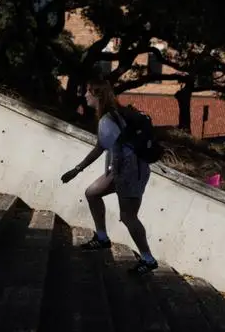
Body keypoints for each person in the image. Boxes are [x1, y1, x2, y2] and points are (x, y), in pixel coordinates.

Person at [60, 75, 158, 275]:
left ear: (97, 94)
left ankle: (148, 259)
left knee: (128, 216)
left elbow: (118, 150)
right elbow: (101, 146)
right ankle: (102, 238)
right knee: (92, 193)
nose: (85, 95)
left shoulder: (107, 119)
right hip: (125, 169)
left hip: (129, 171)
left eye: (88, 91)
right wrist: (77, 170)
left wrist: (119, 176)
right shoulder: (111, 116)